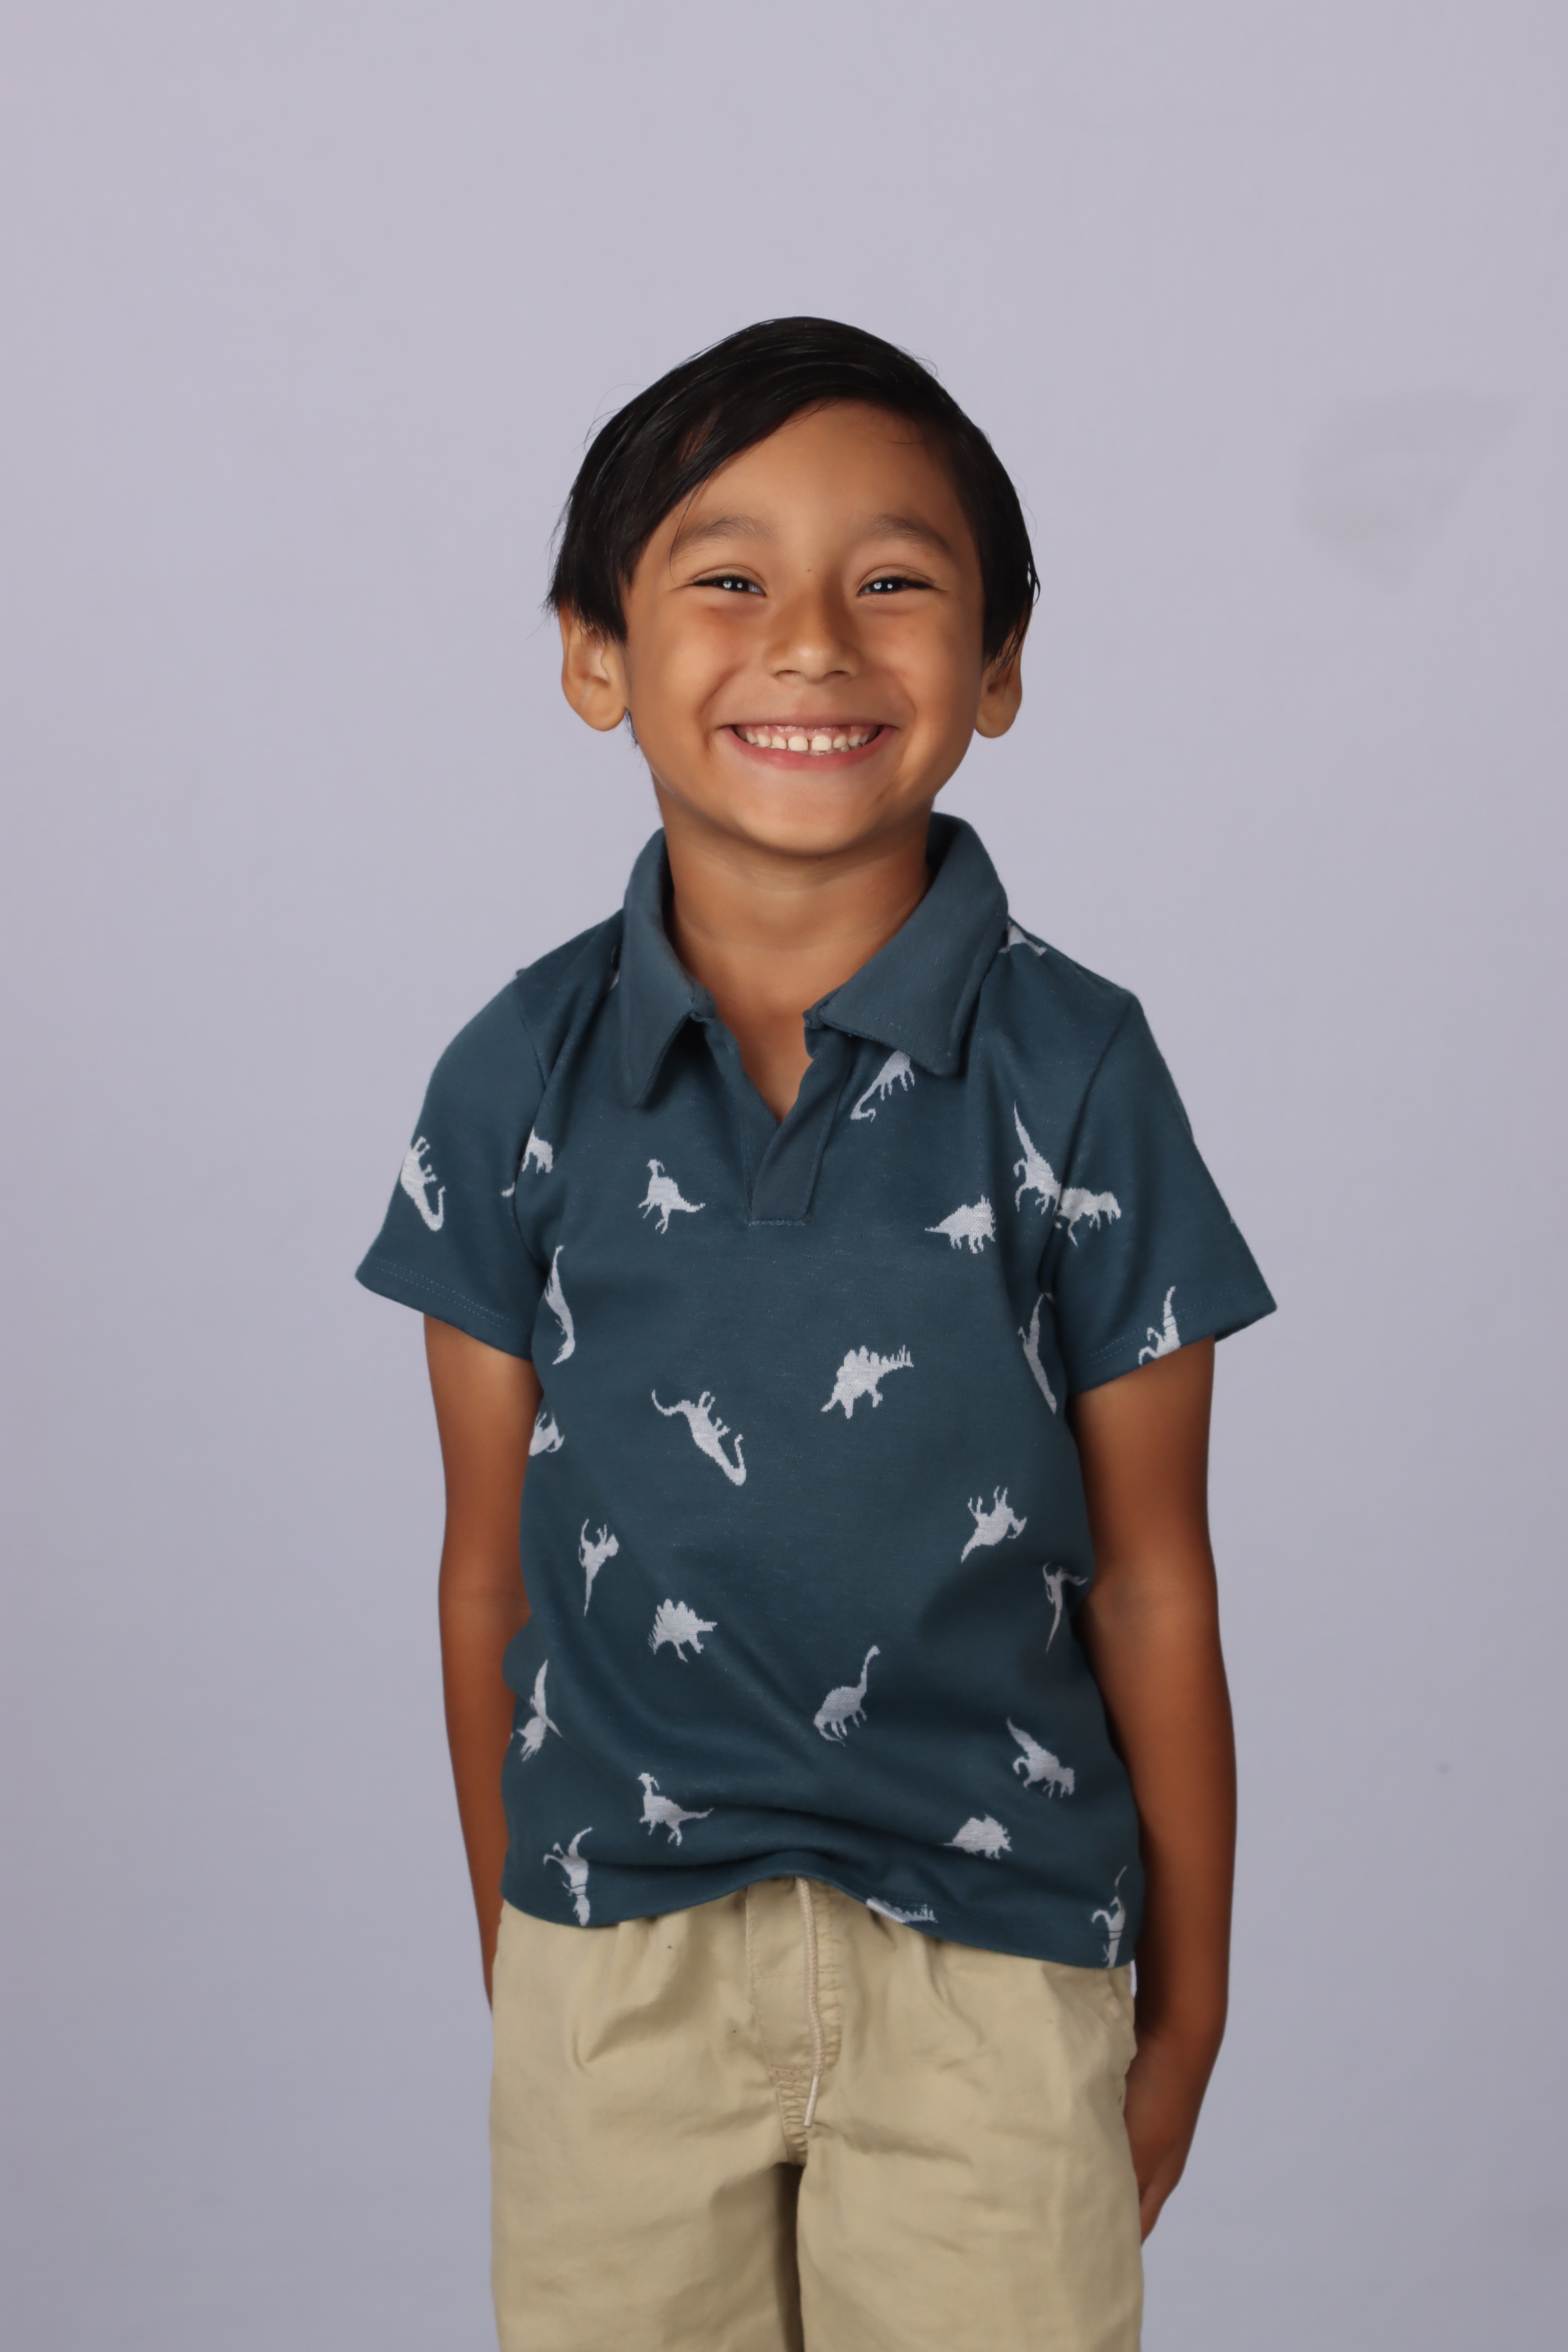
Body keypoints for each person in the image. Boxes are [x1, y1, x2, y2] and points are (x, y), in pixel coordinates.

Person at [357, 317, 1274, 2352]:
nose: (809, 644)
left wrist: (1191, 2002)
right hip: (616, 1955)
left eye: (893, 581)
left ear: (999, 664)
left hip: (999, 1956)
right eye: (725, 576)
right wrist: (525, 1942)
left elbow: (1153, 1576)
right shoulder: (514, 1079)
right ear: (595, 653)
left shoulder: (1076, 1075)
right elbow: (487, 1564)